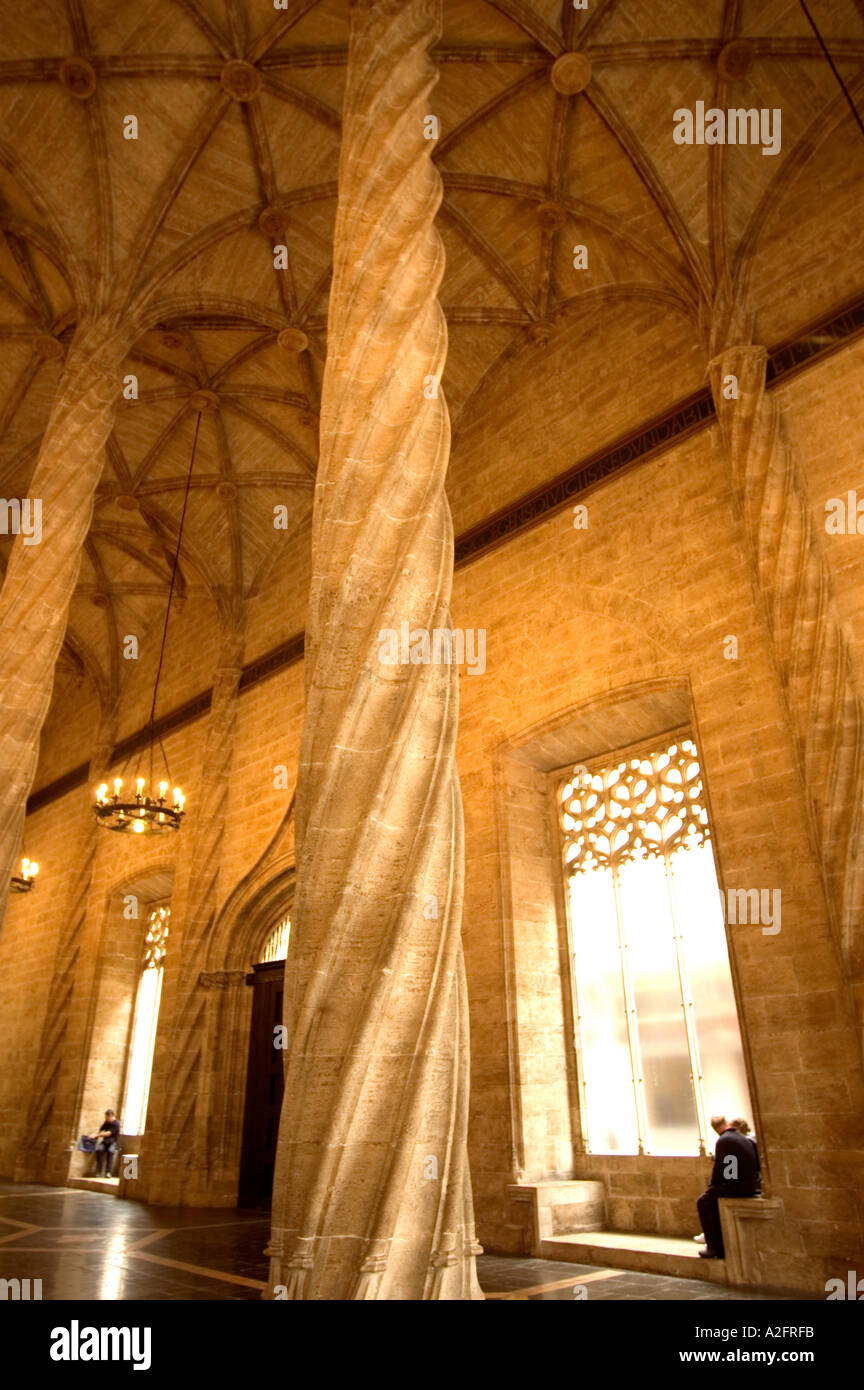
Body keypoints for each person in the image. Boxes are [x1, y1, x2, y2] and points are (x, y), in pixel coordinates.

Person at [696, 1113, 760, 1259]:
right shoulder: (741, 1137)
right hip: (749, 1185)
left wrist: (713, 1186)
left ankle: (714, 1246)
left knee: (703, 1202)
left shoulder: (724, 1141)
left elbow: (728, 1169)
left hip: (738, 1187)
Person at [89, 1109, 120, 1177]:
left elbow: (108, 1133)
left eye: (107, 1117)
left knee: (110, 1152)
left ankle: (108, 1172)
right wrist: (92, 1134)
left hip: (113, 1142)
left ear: (111, 1116)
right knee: (99, 1150)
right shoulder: (106, 1122)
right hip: (105, 1142)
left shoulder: (116, 1123)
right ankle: (99, 1171)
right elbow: (100, 1130)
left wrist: (97, 1135)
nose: (106, 1118)